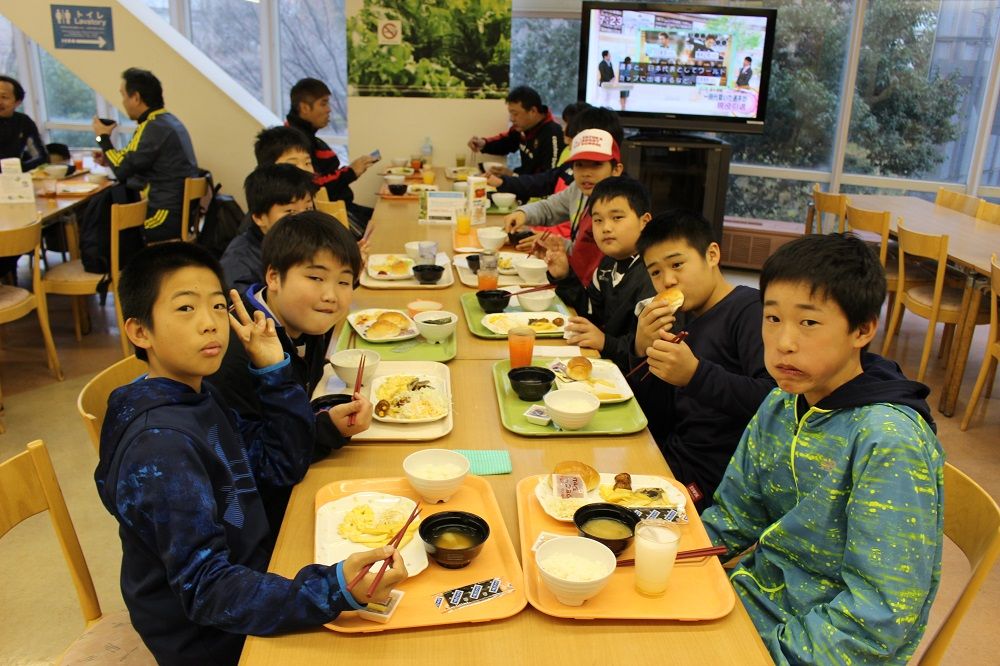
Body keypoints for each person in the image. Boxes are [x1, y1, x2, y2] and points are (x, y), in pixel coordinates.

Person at [95, 242, 406, 665]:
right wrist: (333, 589)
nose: (210, 324)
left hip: (255, 573)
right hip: (212, 638)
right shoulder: (161, 447)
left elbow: (277, 466)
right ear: (139, 331)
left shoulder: (197, 396)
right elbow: (207, 590)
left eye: (217, 306)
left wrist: (274, 372)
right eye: (186, 308)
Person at [701, 233, 944, 664]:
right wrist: (666, 552)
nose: (784, 342)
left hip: (816, 649)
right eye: (772, 318)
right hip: (753, 603)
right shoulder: (782, 402)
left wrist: (760, 654)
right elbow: (733, 518)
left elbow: (878, 618)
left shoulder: (887, 440)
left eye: (808, 323)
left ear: (862, 329)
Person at [211, 211, 371, 532]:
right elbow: (264, 468)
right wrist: (324, 432)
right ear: (273, 277)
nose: (331, 295)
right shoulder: (237, 349)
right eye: (316, 278)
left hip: (284, 481)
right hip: (249, 521)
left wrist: (326, 424)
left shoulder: (305, 321)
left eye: (344, 281)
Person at [633, 209, 774, 507]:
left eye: (677, 264)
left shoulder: (749, 310)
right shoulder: (683, 318)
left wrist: (695, 375)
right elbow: (658, 413)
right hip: (669, 456)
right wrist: (642, 349)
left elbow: (773, 401)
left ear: (712, 255)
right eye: (655, 272)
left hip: (714, 482)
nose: (668, 280)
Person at [542, 176, 654, 371]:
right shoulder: (608, 263)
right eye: (598, 220)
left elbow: (646, 350)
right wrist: (564, 276)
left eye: (617, 218)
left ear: (644, 221)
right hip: (607, 364)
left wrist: (604, 342)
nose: (606, 228)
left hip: (632, 379)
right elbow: (591, 311)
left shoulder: (654, 273)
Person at [505, 121, 624, 285]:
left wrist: (558, 244)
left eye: (596, 165)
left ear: (616, 170)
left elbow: (590, 255)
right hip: (575, 278)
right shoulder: (579, 189)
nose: (586, 173)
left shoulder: (619, 206)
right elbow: (550, 208)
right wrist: (522, 214)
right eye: (579, 165)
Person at [92, 68, 198, 243]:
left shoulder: (152, 127)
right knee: (107, 224)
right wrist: (108, 159)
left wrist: (102, 138)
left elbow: (121, 169)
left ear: (136, 97)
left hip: (164, 216)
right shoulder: (167, 120)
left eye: (123, 96)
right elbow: (130, 160)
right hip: (179, 212)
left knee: (107, 233)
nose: (123, 102)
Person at [285, 78, 374, 237]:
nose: (329, 110)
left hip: (342, 207)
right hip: (330, 215)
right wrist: (350, 172)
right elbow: (314, 184)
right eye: (323, 103)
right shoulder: (295, 141)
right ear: (304, 108)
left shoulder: (307, 136)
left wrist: (351, 170)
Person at [219, 163, 316, 293]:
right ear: (259, 218)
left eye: (308, 208)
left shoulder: (305, 243)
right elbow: (243, 302)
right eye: (290, 211)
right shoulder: (239, 262)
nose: (304, 218)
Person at [488, 101, 591, 202]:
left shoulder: (552, 135)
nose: (563, 129)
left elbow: (546, 184)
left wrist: (508, 179)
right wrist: (503, 182)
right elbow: (546, 180)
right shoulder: (566, 151)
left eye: (567, 124)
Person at [467, 85, 564, 176]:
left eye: (515, 114)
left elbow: (549, 179)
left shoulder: (553, 135)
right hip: (522, 181)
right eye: (510, 113)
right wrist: (483, 144)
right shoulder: (522, 127)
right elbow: (507, 142)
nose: (512, 119)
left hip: (533, 186)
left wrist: (513, 176)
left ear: (533, 111)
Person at [0, 75, 47, 171]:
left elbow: (40, 156)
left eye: (4, 97)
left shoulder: (23, 122)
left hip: (16, 175)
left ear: (17, 102)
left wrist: (16, 169)